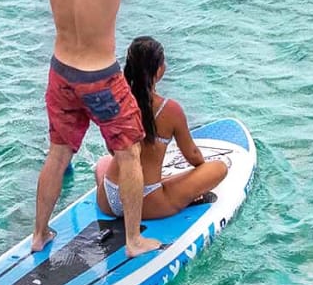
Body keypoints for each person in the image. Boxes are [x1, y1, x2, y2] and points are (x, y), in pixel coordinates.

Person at [32, 0, 162, 258]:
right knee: (128, 154)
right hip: (100, 78)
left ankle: (39, 234)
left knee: (58, 154)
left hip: (61, 74)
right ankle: (134, 241)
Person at [95, 37, 228, 221]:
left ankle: (161, 181)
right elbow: (192, 155)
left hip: (107, 198)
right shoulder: (170, 109)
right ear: (158, 70)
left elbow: (111, 148)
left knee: (103, 162)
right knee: (218, 168)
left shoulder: (117, 101)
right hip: (146, 202)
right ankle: (176, 190)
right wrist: (197, 177)